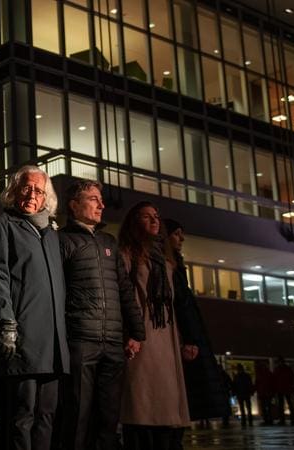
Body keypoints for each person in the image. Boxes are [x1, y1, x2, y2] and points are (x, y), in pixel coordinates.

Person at [0, 166, 69, 450]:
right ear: (14, 191)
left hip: (53, 344)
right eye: (26, 188)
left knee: (46, 416)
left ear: (47, 198)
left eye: (39, 190)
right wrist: (7, 323)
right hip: (22, 339)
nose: (32, 194)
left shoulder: (52, 235)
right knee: (21, 416)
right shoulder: (3, 225)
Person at [58, 180, 145, 450]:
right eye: (94, 198)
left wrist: (137, 332)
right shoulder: (61, 240)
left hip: (113, 344)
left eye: (101, 199)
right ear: (74, 205)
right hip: (81, 341)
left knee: (108, 418)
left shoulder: (109, 242)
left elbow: (124, 289)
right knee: (78, 415)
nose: (101, 204)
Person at [117, 201, 189, 450]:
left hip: (166, 336)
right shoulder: (128, 254)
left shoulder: (167, 261)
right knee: (141, 404)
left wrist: (183, 339)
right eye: (146, 217)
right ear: (134, 222)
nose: (154, 220)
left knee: (167, 406)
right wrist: (130, 332)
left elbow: (174, 304)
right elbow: (123, 295)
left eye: (156, 216)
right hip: (141, 336)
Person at [163, 219, 230, 431]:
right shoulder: (168, 266)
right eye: (176, 234)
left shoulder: (177, 265)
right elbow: (178, 306)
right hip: (182, 338)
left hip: (189, 337)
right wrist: (188, 338)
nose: (181, 238)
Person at [273, 356, 294, 425]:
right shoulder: (286, 369)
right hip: (284, 389)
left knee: (284, 404)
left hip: (283, 389)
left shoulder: (279, 369)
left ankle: (285, 420)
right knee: (286, 404)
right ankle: (288, 419)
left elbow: (275, 379)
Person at [254, 361, 275, 425]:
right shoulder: (268, 373)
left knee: (265, 407)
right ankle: (269, 419)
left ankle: (267, 419)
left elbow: (257, 384)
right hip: (266, 393)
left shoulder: (260, 374)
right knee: (267, 407)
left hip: (264, 393)